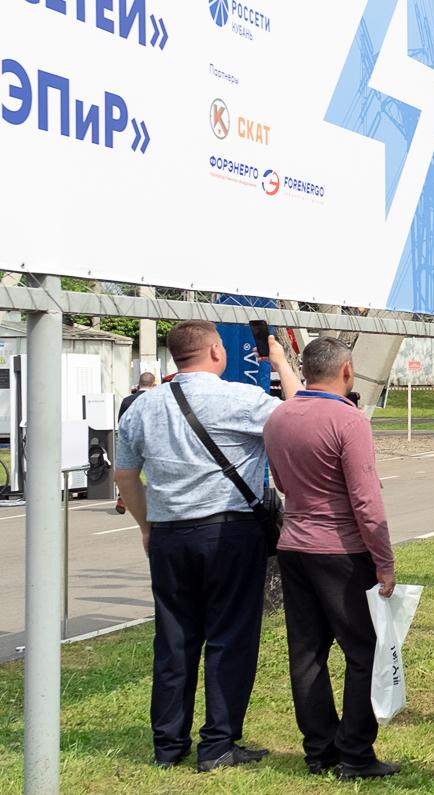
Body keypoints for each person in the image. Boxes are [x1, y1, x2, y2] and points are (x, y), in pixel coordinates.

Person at [112, 320, 301, 771]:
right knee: (229, 636)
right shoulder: (240, 398)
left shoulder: (141, 406)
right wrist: (280, 362)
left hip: (168, 534)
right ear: (217, 351)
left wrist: (146, 526)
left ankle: (168, 745)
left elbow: (124, 476)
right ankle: (217, 744)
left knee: (173, 639)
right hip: (229, 530)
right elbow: (300, 419)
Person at [263, 337, 399, 780]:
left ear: (304, 370)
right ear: (347, 370)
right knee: (363, 651)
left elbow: (281, 481)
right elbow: (366, 501)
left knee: (307, 651)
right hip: (341, 549)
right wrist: (384, 560)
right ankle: (355, 753)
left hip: (294, 545)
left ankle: (320, 749)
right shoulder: (349, 420)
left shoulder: (279, 417)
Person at [114, 372, 159, 514]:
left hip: (130, 439)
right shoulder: (156, 399)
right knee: (149, 471)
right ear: (153, 384)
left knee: (129, 471)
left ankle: (122, 498)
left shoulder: (127, 400)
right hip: (150, 440)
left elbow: (120, 422)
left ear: (139, 384)